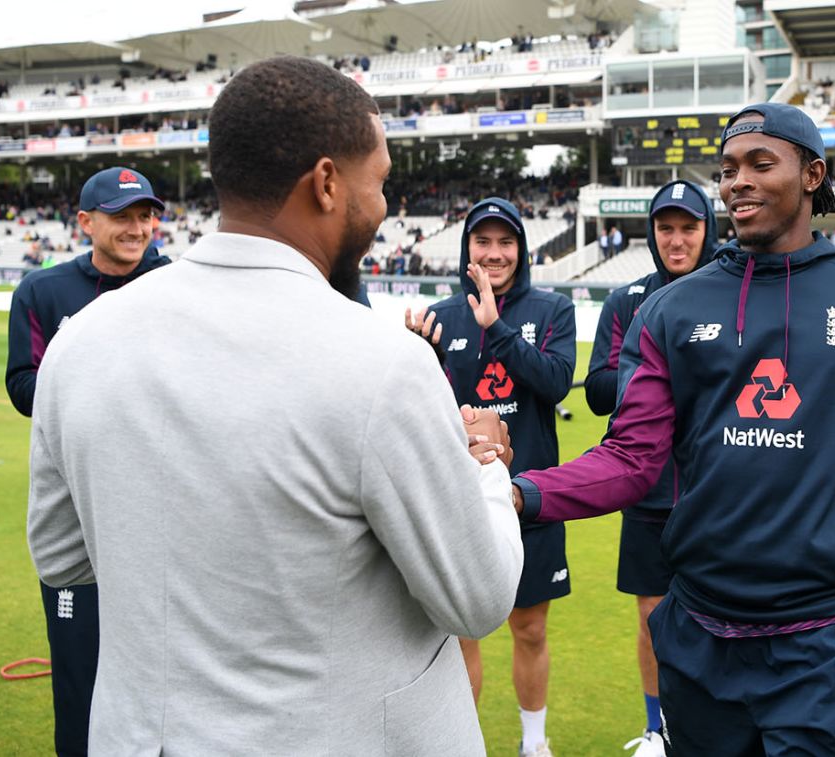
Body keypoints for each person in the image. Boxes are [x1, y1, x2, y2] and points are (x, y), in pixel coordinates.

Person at [26, 56, 523, 755]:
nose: (383, 208)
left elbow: (58, 554)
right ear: (325, 183)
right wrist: (485, 468)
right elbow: (477, 597)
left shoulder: (80, 344)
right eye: (377, 182)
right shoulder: (380, 362)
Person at [510, 103, 835, 755]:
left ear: (813, 174)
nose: (738, 180)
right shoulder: (669, 309)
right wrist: (517, 494)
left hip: (829, 642)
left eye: (761, 163)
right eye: (729, 168)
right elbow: (630, 459)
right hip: (700, 637)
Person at [6, 166, 171, 757]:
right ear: (85, 223)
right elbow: (22, 387)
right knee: (79, 682)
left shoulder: (176, 286)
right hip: (77, 528)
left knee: (167, 691)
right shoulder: (42, 292)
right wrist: (100, 391)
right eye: (122, 216)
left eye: (145, 215)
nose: (137, 228)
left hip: (164, 525)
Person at [407, 198, 576, 757]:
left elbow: (554, 383)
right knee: (462, 636)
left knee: (530, 630)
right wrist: (424, 356)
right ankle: (464, 745)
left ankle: (534, 745)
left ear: (522, 250)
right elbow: (423, 409)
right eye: (484, 242)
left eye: (507, 243)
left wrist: (497, 328)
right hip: (461, 503)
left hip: (531, 499)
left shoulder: (553, 310)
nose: (495, 253)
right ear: (468, 249)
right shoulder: (442, 315)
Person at [583, 180, 719, 757]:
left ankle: (714, 728)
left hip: (720, 488)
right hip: (648, 487)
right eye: (666, 228)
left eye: (688, 227)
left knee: (721, 615)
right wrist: (660, 373)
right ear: (651, 233)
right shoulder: (626, 300)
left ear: (708, 229)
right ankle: (657, 730)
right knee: (652, 619)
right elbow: (595, 390)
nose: (677, 239)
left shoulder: (731, 290)